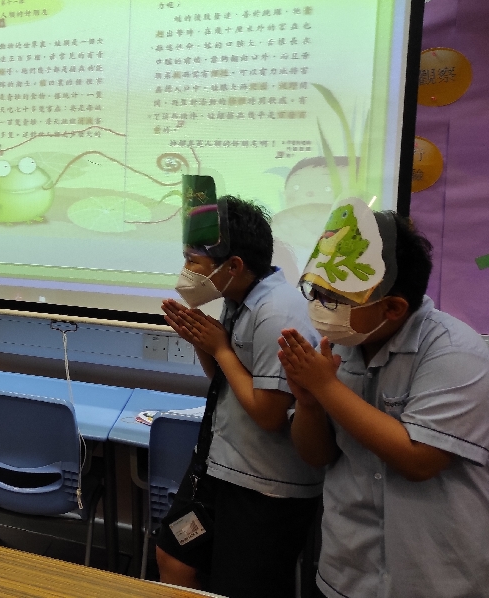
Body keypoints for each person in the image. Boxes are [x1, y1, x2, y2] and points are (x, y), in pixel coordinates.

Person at [278, 204, 489, 598]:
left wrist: (325, 388)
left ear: (393, 308)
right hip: (345, 572)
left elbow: (418, 460)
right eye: (315, 291)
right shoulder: (339, 346)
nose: (318, 306)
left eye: (333, 298)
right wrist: (308, 403)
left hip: (433, 580)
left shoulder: (455, 351)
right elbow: (317, 455)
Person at [155, 185, 324, 598]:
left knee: (239, 586)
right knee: (174, 557)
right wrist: (202, 341)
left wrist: (219, 348)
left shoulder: (278, 313)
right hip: (218, 466)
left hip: (263, 487)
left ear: (233, 265)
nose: (186, 270)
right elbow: (224, 378)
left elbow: (268, 414)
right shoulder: (236, 297)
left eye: (193, 261)